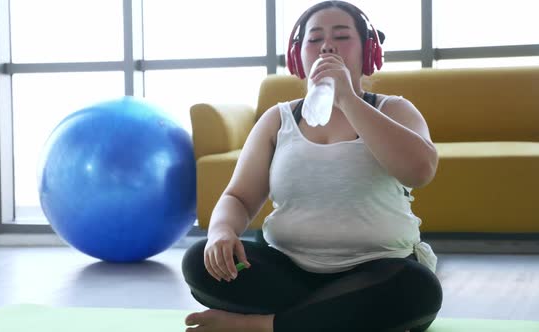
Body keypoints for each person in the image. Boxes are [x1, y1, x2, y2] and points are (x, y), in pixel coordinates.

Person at [181, 1, 443, 331]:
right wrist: (221, 231)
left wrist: (347, 98)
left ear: (368, 51)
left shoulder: (394, 109)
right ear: (299, 57)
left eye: (342, 36)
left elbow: (420, 171)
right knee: (199, 261)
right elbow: (238, 198)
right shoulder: (278, 119)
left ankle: (260, 326)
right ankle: (329, 318)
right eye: (315, 38)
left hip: (378, 271)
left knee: (416, 288)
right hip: (289, 272)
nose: (327, 45)